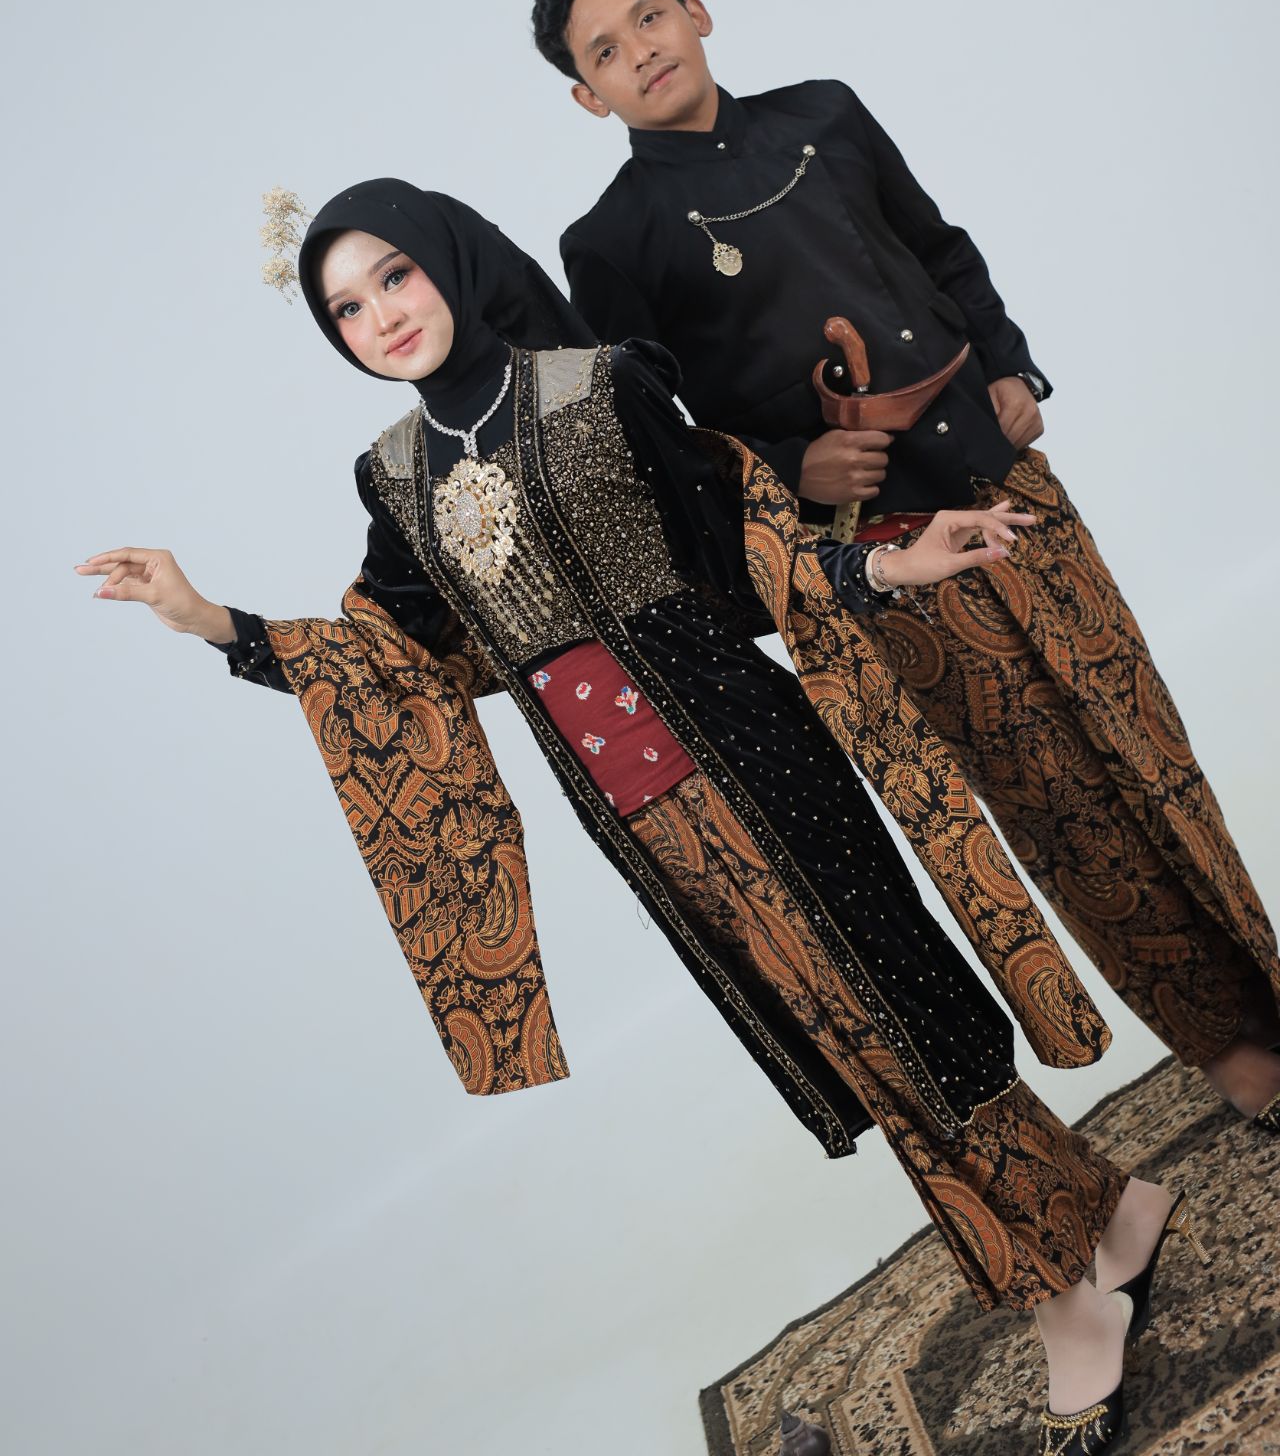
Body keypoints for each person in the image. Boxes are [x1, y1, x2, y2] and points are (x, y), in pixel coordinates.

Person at [80, 184, 1206, 1454]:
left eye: (394, 276)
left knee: (891, 998)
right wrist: (210, 620)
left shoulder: (602, 384)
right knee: (836, 1028)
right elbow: (390, 661)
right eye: (345, 307)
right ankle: (1110, 1209)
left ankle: (1062, 1301)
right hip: (632, 812)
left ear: (451, 259)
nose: (379, 315)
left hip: (748, 753)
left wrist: (883, 562)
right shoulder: (391, 475)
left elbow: (744, 555)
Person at [533, 0, 1280, 1139]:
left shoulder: (823, 115)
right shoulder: (610, 243)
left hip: (1004, 481)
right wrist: (795, 468)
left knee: (1149, 751)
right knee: (1053, 803)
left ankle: (1269, 987)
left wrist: (1010, 364)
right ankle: (1228, 1048)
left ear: (696, 11)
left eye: (649, 17)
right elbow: (668, 447)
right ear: (587, 97)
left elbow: (937, 250)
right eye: (604, 52)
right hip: (887, 556)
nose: (641, 52)